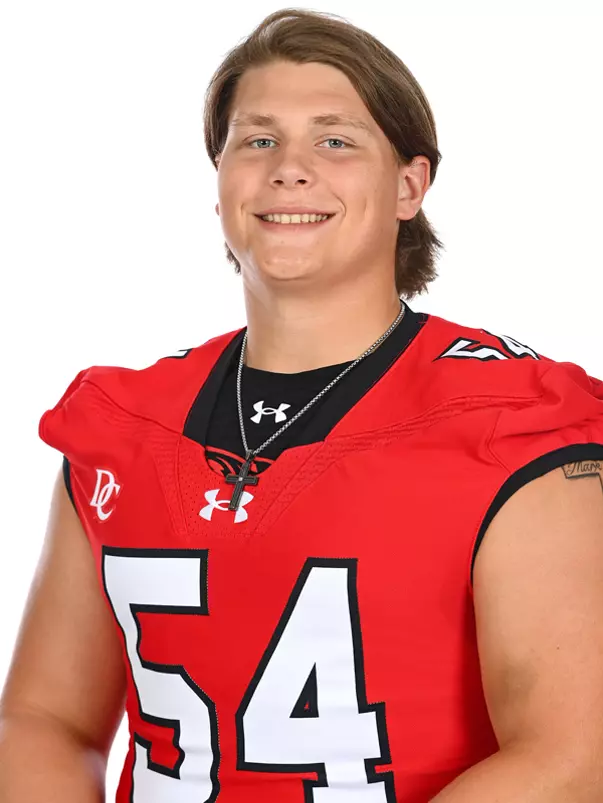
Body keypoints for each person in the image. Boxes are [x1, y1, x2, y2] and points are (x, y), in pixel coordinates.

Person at [1, 7, 603, 802]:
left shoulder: (515, 423)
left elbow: (573, 756)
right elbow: (46, 718)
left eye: (335, 141)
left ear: (408, 186)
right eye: (257, 140)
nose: (289, 168)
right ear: (219, 181)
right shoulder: (123, 422)